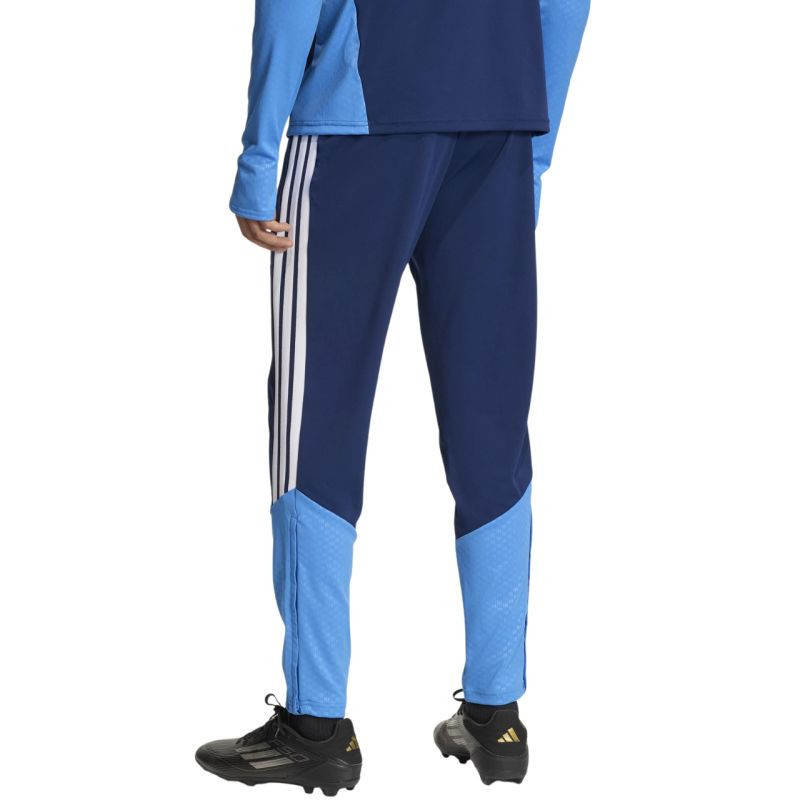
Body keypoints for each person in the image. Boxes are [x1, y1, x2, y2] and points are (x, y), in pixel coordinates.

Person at [196, 0, 589, 793]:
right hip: (500, 120)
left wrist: (258, 154)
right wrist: (534, 151)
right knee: (492, 426)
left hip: (361, 117)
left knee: (315, 422)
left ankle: (315, 727)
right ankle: (497, 714)